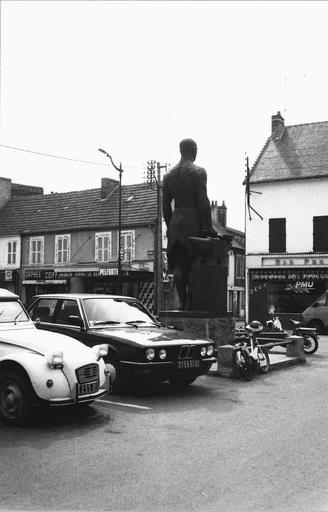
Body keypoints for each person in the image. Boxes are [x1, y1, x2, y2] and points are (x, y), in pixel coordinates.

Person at [162, 138, 217, 310]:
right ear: (193, 150)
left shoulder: (169, 175)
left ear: (180, 151)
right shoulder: (198, 172)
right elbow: (203, 201)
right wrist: (208, 226)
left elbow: (165, 205)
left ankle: (183, 303)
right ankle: (195, 305)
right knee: (196, 263)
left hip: (176, 222)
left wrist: (171, 225)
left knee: (180, 266)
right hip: (193, 220)